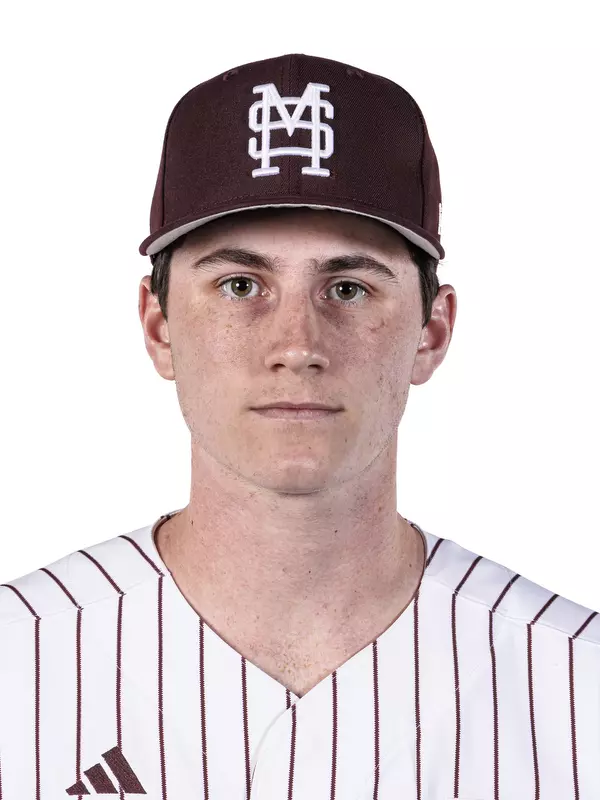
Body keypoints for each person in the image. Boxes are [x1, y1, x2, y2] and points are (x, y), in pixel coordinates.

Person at [0, 53, 598, 800]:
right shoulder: (17, 668)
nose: (297, 345)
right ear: (158, 328)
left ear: (431, 332)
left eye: (347, 287)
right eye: (240, 285)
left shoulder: (579, 690)